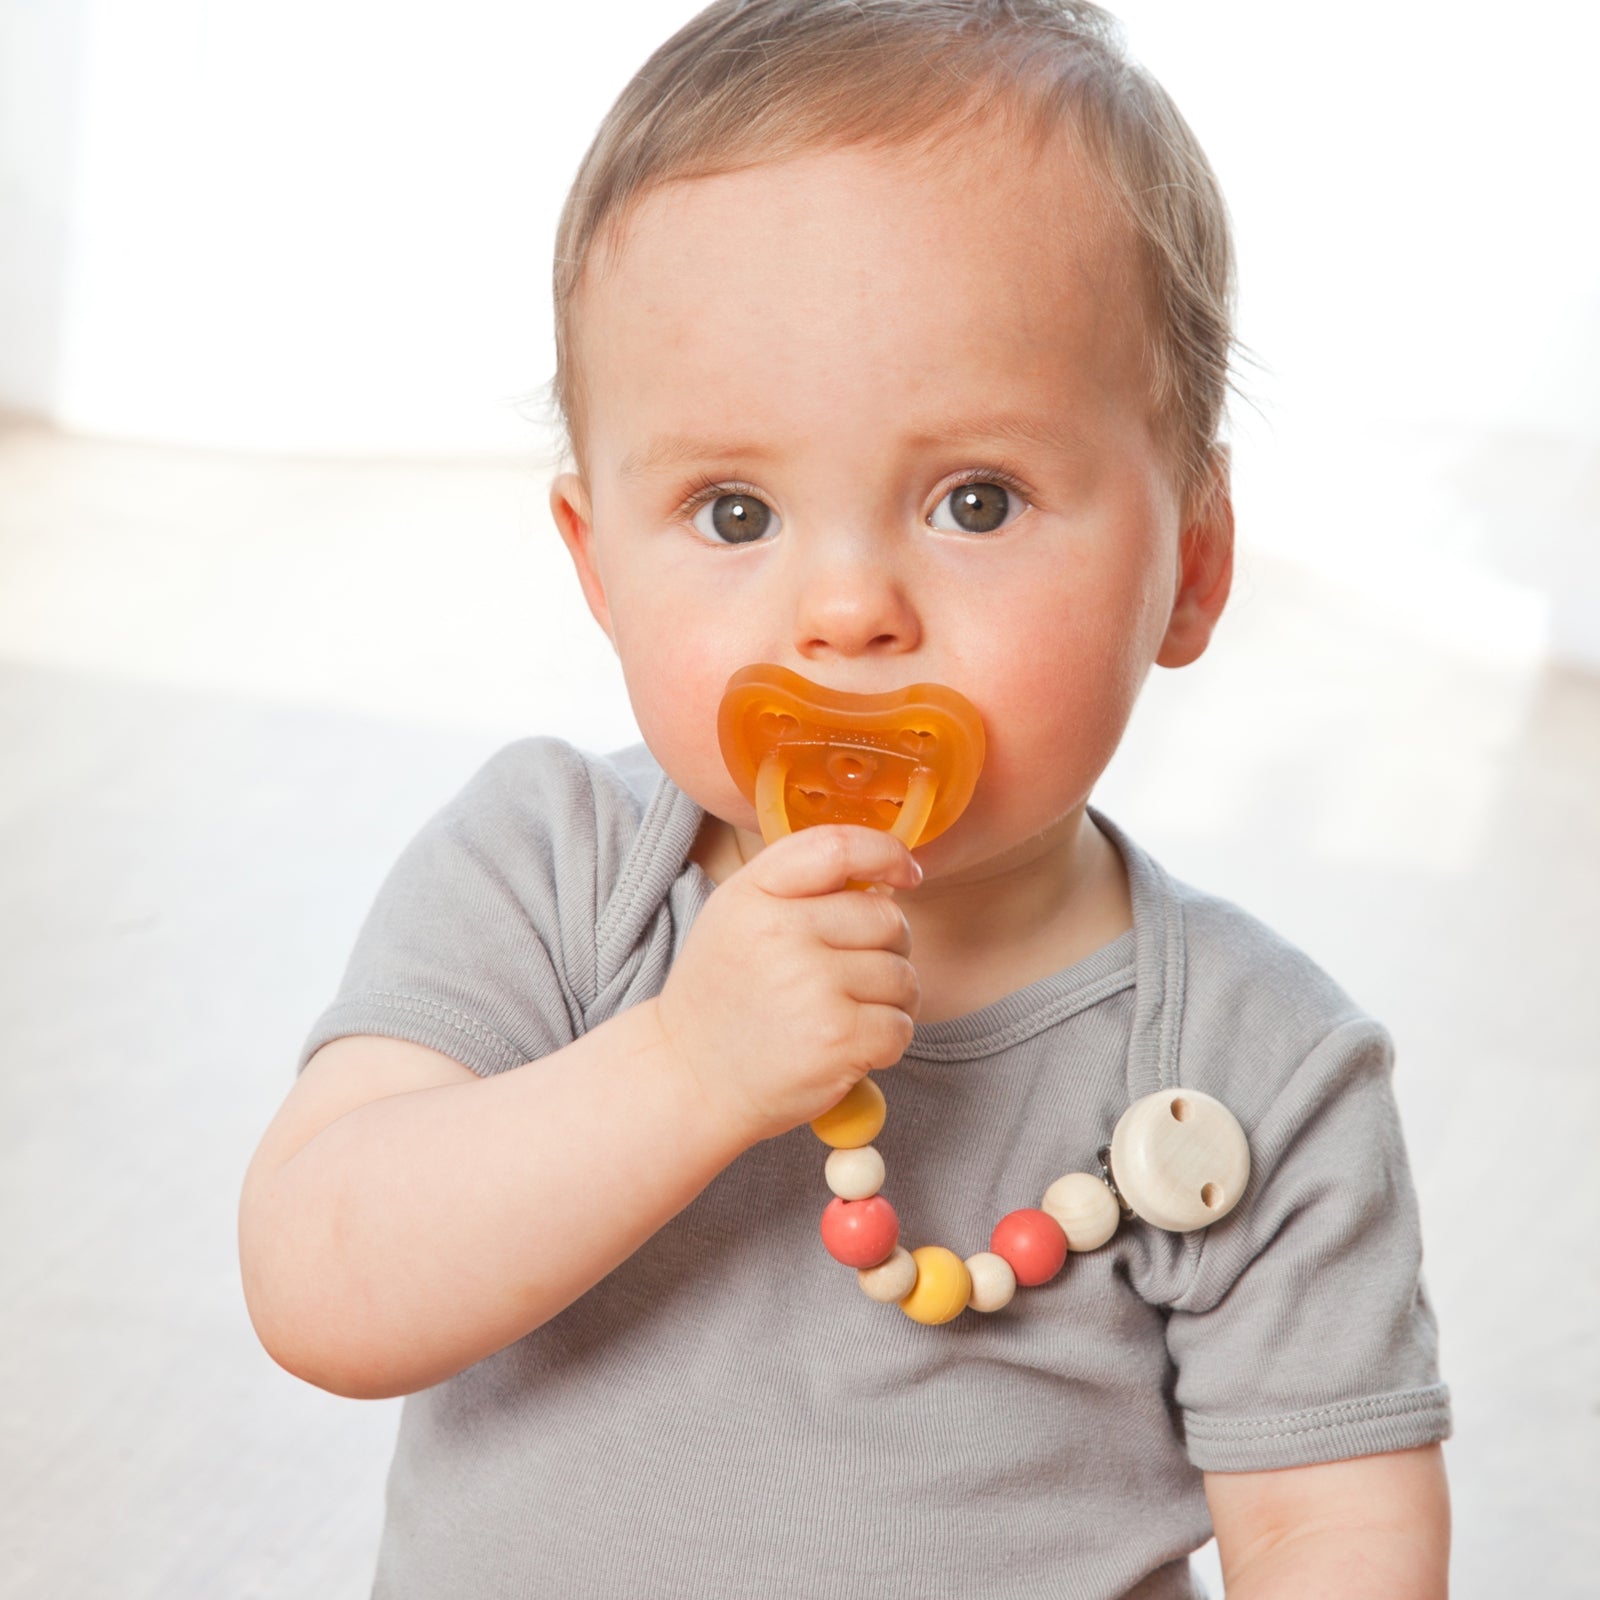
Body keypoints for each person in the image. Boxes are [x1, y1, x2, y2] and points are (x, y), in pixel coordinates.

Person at [238, 2, 1451, 1594]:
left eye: (976, 499)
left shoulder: (1251, 1068)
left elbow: (1329, 1531)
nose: (848, 607)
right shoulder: (551, 877)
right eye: (734, 510)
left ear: (1192, 566)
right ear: (597, 566)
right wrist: (685, 1065)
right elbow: (325, 1284)